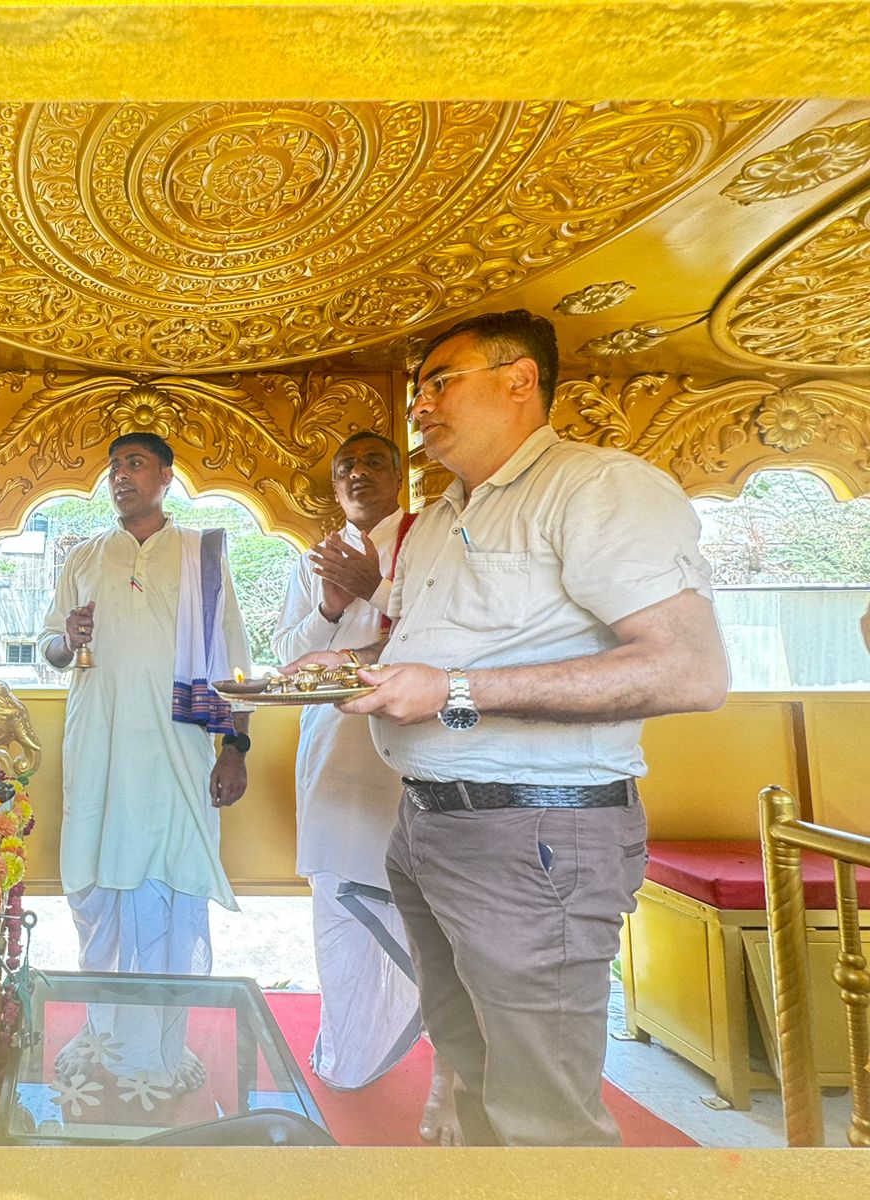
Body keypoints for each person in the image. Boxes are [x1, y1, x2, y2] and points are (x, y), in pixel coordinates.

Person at [290, 309, 728, 1146]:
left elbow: (689, 670)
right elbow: (432, 652)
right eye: (418, 392)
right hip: (428, 822)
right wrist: (349, 663)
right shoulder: (441, 518)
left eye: (440, 383)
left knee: (541, 1111)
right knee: (473, 1067)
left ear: (519, 380)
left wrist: (453, 689)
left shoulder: (595, 487)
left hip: (535, 833)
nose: (419, 406)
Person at [38, 431, 253, 1089]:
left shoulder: (201, 555)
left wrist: (235, 748)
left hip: (176, 754)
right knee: (99, 888)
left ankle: (161, 1048)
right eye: (113, 466)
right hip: (98, 751)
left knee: (169, 884)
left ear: (166, 476)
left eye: (135, 464)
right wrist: (65, 639)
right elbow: (48, 648)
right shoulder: (83, 555)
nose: (120, 476)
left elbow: (234, 657)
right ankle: (104, 1035)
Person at [271, 431, 460, 1145]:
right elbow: (286, 659)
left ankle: (444, 1060)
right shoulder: (313, 558)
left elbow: (452, 637)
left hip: (414, 756)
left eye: (374, 460)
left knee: (426, 907)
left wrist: (374, 586)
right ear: (334, 484)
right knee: (337, 900)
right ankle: (350, 1049)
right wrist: (328, 604)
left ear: (399, 475)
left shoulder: (432, 542)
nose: (357, 472)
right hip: (333, 752)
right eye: (345, 465)